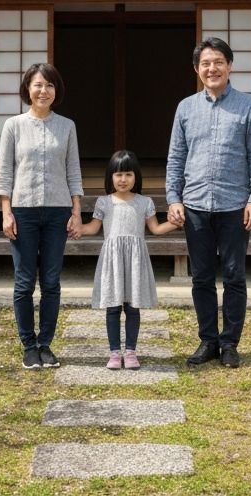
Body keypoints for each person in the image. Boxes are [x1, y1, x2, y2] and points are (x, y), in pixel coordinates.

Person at [166, 36, 251, 369]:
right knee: (202, 277)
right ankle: (208, 340)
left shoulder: (248, 105)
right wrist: (173, 197)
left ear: (229, 66)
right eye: (205, 63)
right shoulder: (185, 107)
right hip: (194, 205)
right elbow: (176, 157)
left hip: (235, 205)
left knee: (235, 276)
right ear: (197, 69)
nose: (212, 68)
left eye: (218, 62)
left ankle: (230, 343)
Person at [0, 63, 84, 370]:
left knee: (51, 281)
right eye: (37, 85)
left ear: (56, 90)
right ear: (27, 90)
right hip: (23, 210)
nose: (43, 91)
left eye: (49, 85)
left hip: (58, 210)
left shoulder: (67, 126)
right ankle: (28, 345)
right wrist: (6, 212)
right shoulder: (14, 126)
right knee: (23, 281)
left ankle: (45, 344)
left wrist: (76, 211)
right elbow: (5, 171)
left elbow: (73, 170)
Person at [80, 150, 181, 370]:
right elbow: (93, 228)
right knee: (113, 307)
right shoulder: (104, 202)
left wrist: (176, 223)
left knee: (133, 307)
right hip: (112, 260)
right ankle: (115, 352)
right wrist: (77, 228)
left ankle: (132, 351)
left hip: (135, 259)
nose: (123, 179)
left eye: (128, 174)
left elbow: (155, 228)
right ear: (110, 177)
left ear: (136, 176)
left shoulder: (144, 202)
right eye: (118, 175)